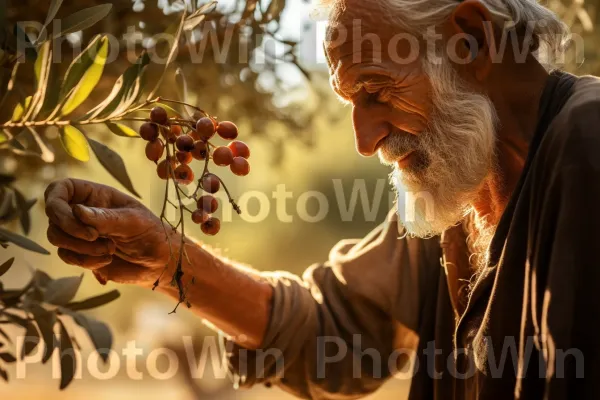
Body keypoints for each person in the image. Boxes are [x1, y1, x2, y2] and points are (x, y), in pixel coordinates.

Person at [43, 0, 600, 398]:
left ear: (472, 39)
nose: (366, 141)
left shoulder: (588, 141)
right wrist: (168, 262)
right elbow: (335, 330)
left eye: (377, 91)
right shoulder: (460, 194)